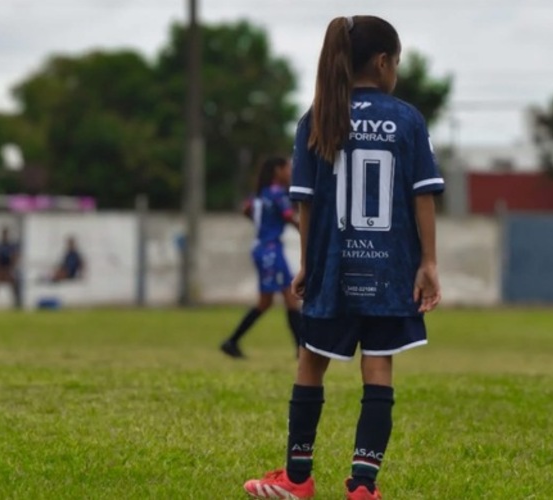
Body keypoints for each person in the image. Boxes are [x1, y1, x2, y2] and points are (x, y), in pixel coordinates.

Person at [243, 15, 444, 500]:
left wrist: (310, 265)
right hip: (391, 270)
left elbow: (306, 203)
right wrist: (429, 263)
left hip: (335, 269)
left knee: (310, 363)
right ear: (383, 62)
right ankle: (362, 486)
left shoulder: (317, 118)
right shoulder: (408, 120)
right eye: (396, 61)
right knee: (378, 368)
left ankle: (297, 477)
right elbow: (422, 197)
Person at [220, 157, 303, 359]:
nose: (290, 172)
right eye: (287, 168)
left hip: (261, 248)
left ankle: (232, 342)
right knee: (290, 299)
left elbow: (246, 209)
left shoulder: (258, 194)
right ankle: (301, 349)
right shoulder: (278, 194)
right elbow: (289, 217)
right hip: (271, 250)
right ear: (277, 170)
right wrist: (309, 233)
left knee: (266, 302)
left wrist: (263, 224)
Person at [0, 227, 22, 309]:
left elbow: (15, 258)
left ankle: (17, 304)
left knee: (16, 283)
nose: (5, 236)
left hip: (8, 270)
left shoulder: (11, 246)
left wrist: (9, 269)